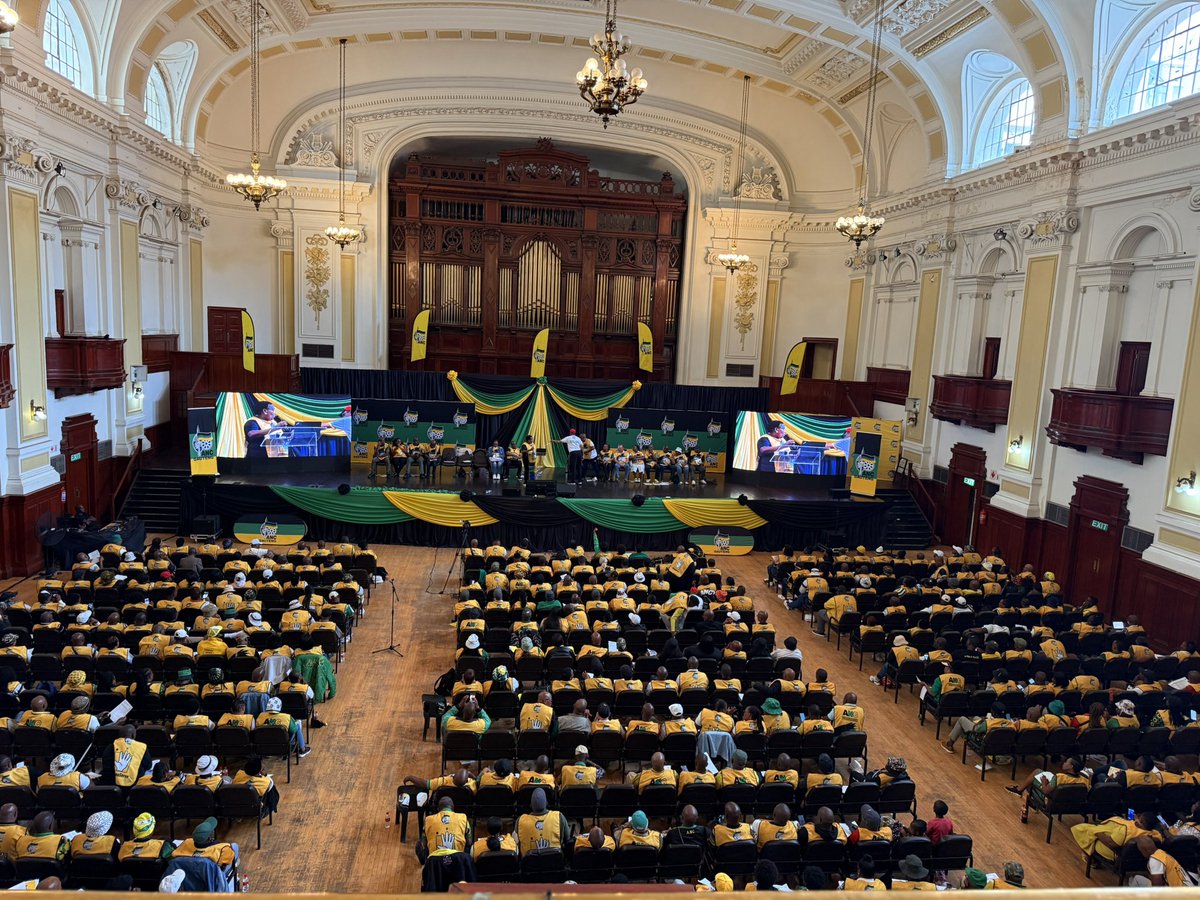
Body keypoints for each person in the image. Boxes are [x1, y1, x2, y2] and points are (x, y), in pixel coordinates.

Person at [1129, 835, 1200, 886]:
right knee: (1133, 878)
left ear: (1145, 850)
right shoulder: (1162, 853)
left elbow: (1157, 887)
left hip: (1178, 895)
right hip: (1188, 888)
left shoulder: (1154, 859)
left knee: (1135, 879)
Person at [516, 788, 568, 854]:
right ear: (546, 803)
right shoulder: (559, 817)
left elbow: (515, 844)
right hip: (554, 862)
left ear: (531, 805)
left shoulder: (520, 820)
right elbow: (567, 840)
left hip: (529, 863)